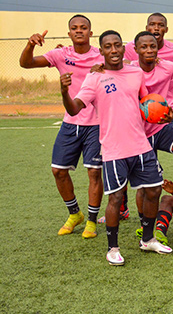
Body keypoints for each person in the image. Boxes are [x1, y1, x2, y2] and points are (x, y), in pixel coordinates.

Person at [60, 30, 172, 265]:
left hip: (140, 145)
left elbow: (145, 104)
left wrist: (160, 115)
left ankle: (148, 238)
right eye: (108, 46)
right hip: (113, 150)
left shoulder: (135, 72)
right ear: (101, 51)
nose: (113, 50)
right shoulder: (94, 78)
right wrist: (64, 91)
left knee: (153, 190)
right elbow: (74, 109)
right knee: (116, 198)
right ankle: (113, 248)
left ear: (123, 48)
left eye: (117, 45)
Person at [19, 15, 103, 239]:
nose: (79, 31)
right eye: (74, 28)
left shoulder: (101, 55)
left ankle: (92, 222)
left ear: (90, 33)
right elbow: (25, 64)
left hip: (97, 124)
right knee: (58, 170)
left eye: (83, 28)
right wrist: (30, 44)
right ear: (69, 34)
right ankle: (75, 214)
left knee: (94, 173)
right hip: (71, 122)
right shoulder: (61, 55)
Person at [128, 31, 173, 240]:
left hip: (160, 126)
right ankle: (146, 226)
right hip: (137, 133)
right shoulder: (128, 71)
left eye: (152, 46)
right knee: (146, 186)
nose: (149, 50)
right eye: (144, 47)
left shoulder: (168, 66)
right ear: (136, 50)